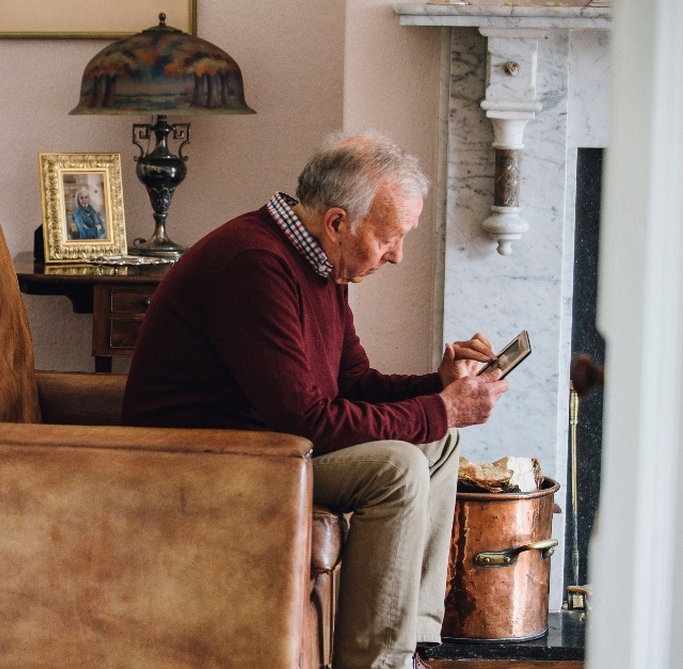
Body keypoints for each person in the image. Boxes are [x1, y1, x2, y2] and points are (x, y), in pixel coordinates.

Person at [121, 130, 509, 669]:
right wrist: (441, 407)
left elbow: (352, 384)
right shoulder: (255, 265)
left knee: (440, 443)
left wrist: (439, 387)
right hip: (206, 457)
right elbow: (304, 416)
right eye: (390, 237)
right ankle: (375, 664)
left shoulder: (322, 264)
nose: (397, 256)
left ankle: (413, 644)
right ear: (336, 222)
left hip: (271, 443)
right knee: (398, 467)